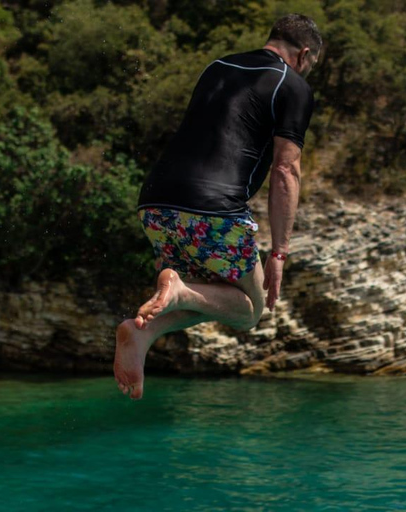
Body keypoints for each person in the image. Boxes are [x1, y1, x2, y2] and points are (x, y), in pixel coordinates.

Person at [113, 14, 322, 400]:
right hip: (212, 209)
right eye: (309, 66)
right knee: (248, 311)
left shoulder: (218, 66)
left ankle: (143, 331)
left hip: (156, 203)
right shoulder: (291, 85)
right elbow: (285, 170)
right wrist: (279, 251)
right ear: (304, 54)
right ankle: (175, 291)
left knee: (212, 295)